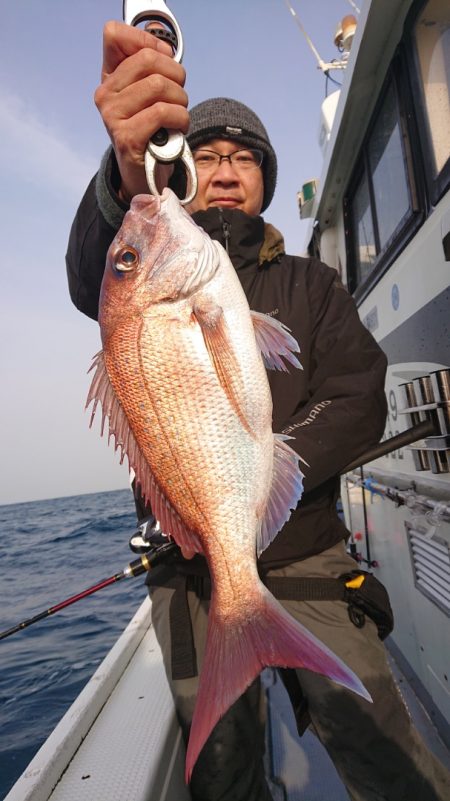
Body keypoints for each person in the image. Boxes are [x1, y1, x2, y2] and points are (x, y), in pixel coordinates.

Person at [66, 21, 450, 801]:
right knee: (222, 772)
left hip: (310, 550)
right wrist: (122, 172)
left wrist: (277, 466)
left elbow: (360, 392)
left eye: (245, 157)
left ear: (267, 179)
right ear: (180, 173)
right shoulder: (149, 264)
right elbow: (92, 275)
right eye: (206, 155)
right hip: (196, 568)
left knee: (387, 751)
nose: (227, 170)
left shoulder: (311, 284)